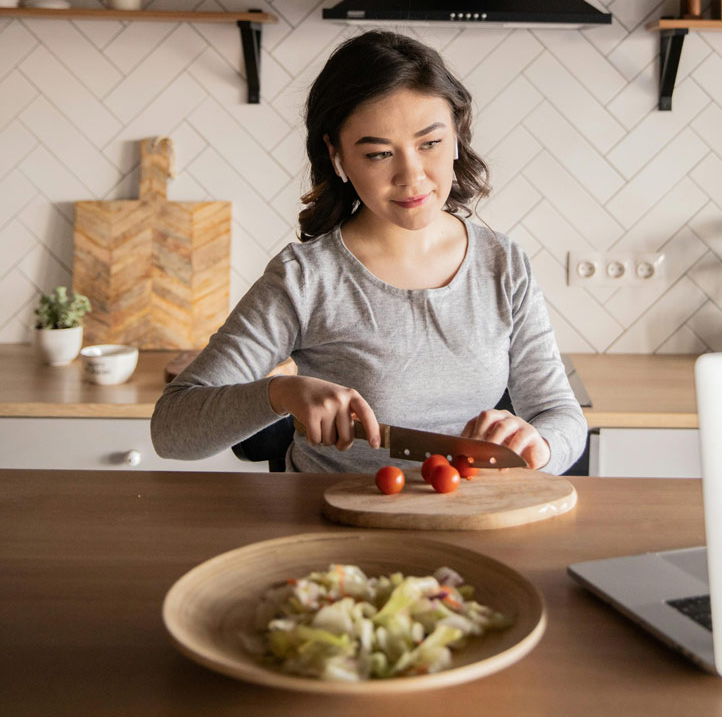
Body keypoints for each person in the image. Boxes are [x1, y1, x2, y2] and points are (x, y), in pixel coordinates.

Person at [151, 30, 587, 475]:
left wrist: (540, 446)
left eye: (430, 143)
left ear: (457, 135)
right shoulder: (305, 278)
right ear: (337, 157)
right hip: (334, 527)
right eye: (379, 154)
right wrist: (281, 394)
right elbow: (171, 429)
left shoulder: (502, 264)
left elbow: (562, 416)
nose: (411, 176)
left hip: (467, 516)